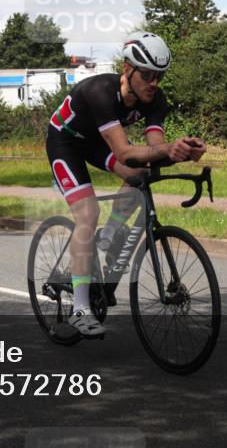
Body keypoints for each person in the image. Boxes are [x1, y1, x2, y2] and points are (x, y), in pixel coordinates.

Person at [46, 32, 206, 336]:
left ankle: (107, 236)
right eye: (146, 74)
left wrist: (181, 152)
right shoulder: (100, 92)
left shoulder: (156, 100)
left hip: (97, 143)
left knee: (140, 175)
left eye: (159, 76)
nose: (153, 82)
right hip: (65, 142)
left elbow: (154, 149)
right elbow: (124, 152)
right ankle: (80, 309)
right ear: (127, 69)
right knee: (88, 213)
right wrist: (167, 150)